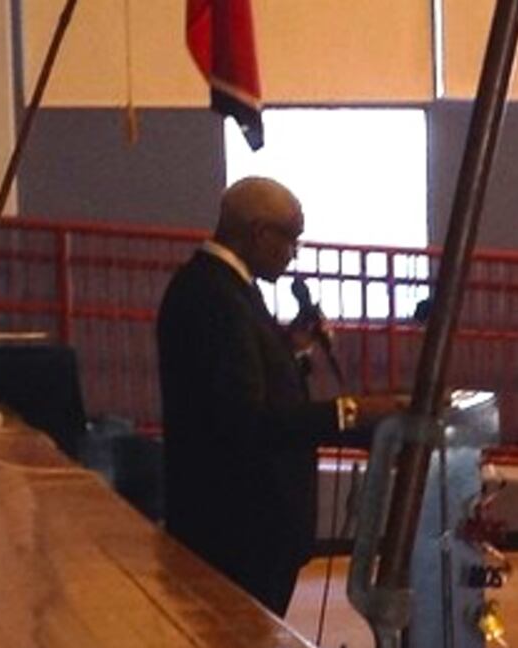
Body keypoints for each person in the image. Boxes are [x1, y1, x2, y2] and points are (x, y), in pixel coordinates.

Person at [156, 177, 400, 617]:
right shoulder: (214, 297)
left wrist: (296, 351)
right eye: (293, 239)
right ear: (260, 233)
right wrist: (351, 412)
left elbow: (245, 381)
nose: (294, 254)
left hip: (248, 526)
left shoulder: (223, 288)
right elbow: (246, 420)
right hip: (238, 528)